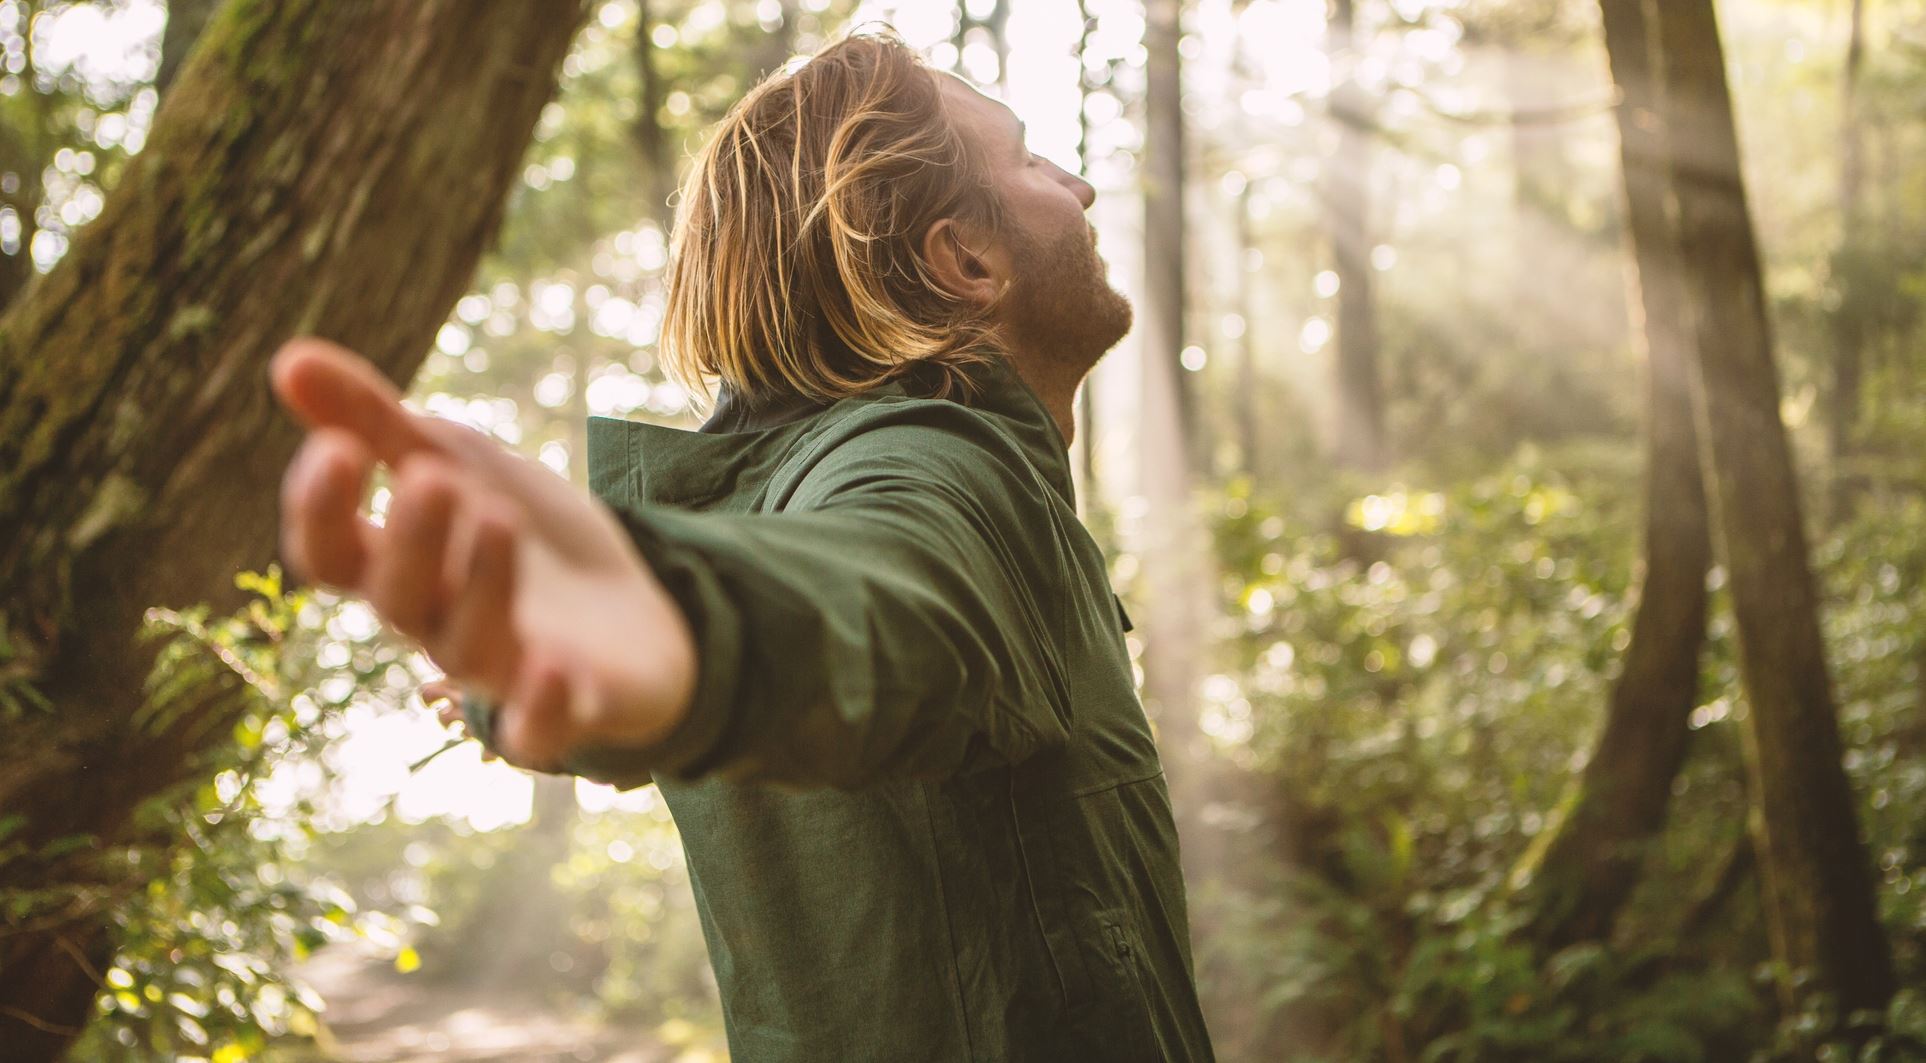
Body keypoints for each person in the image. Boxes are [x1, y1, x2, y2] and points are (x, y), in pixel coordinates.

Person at [271, 30, 1214, 1062]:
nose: (1077, 186)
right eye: (1031, 160)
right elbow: (885, 597)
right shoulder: (945, 465)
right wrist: (686, 617)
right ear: (966, 260)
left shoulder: (785, 498)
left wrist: (652, 624)